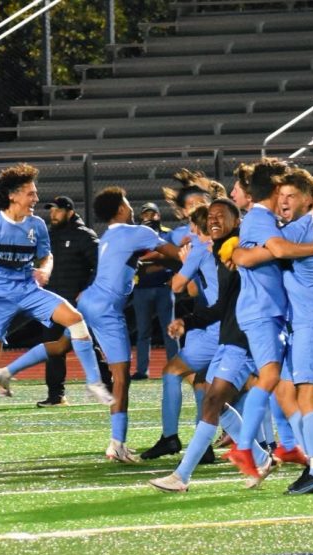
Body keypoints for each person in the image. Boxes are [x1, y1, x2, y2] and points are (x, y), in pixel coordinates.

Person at [0, 163, 113, 456]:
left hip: (29, 291)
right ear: (13, 196)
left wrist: (45, 269)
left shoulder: (36, 226)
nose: (36, 199)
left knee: (75, 320)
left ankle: (93, 383)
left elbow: (46, 256)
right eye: (31, 193)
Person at [232, 168, 313, 494]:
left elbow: (274, 250)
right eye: (281, 196)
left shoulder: (301, 226)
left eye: (291, 196)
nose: (284, 202)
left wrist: (237, 253)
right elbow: (272, 250)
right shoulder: (296, 226)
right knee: (291, 390)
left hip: (311, 321)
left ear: (309, 199)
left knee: (305, 395)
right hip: (300, 319)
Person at [149, 199, 268, 492]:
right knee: (211, 395)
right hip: (228, 337)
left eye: (221, 216)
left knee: (213, 401)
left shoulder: (239, 251)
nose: (213, 220)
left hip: (243, 339)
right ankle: (262, 456)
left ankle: (182, 475)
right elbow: (222, 305)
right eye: (210, 216)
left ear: (236, 221)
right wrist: (187, 321)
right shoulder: (222, 254)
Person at [77, 186, 182, 463]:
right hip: (108, 310)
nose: (131, 206)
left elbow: (139, 257)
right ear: (122, 208)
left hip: (89, 302)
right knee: (122, 377)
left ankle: (9, 369)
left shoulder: (109, 236)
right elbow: (174, 253)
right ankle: (117, 443)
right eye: (127, 202)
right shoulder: (141, 232)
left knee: (59, 346)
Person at [0, 195, 111, 407]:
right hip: (52, 302)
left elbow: (102, 265)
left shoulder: (83, 236)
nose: (53, 214)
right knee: (55, 347)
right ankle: (56, 394)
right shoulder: (48, 235)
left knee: (82, 344)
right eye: (51, 210)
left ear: (70, 212)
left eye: (57, 210)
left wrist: (88, 290)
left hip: (78, 304)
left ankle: (106, 386)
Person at [141, 204, 218, 461]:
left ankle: (170, 437)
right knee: (201, 382)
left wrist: (186, 263)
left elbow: (177, 287)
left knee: (172, 372)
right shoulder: (226, 246)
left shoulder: (198, 249)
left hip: (212, 325)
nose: (191, 234)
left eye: (193, 228)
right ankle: (204, 445)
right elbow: (198, 291)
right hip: (217, 322)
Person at [131, 201, 179, 380]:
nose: (150, 217)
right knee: (143, 331)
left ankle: (175, 367)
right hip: (142, 288)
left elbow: (172, 255)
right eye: (146, 214)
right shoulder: (136, 234)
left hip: (163, 287)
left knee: (170, 330)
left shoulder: (167, 233)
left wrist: (152, 262)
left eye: (153, 214)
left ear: (159, 215)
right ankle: (142, 370)